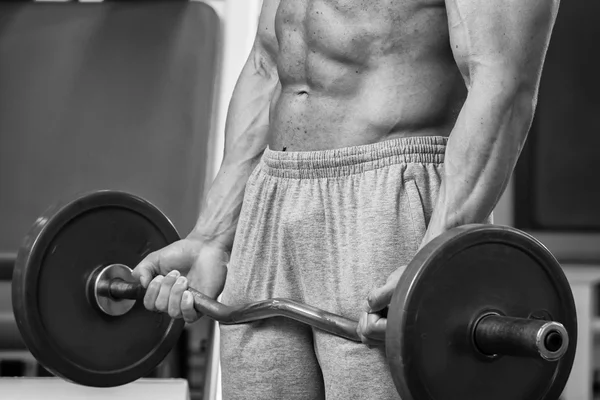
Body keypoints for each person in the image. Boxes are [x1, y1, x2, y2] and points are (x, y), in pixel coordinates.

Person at [132, 0, 560, 398]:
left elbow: (503, 80)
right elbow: (268, 62)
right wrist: (214, 233)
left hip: (389, 203)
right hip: (272, 195)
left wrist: (436, 257)